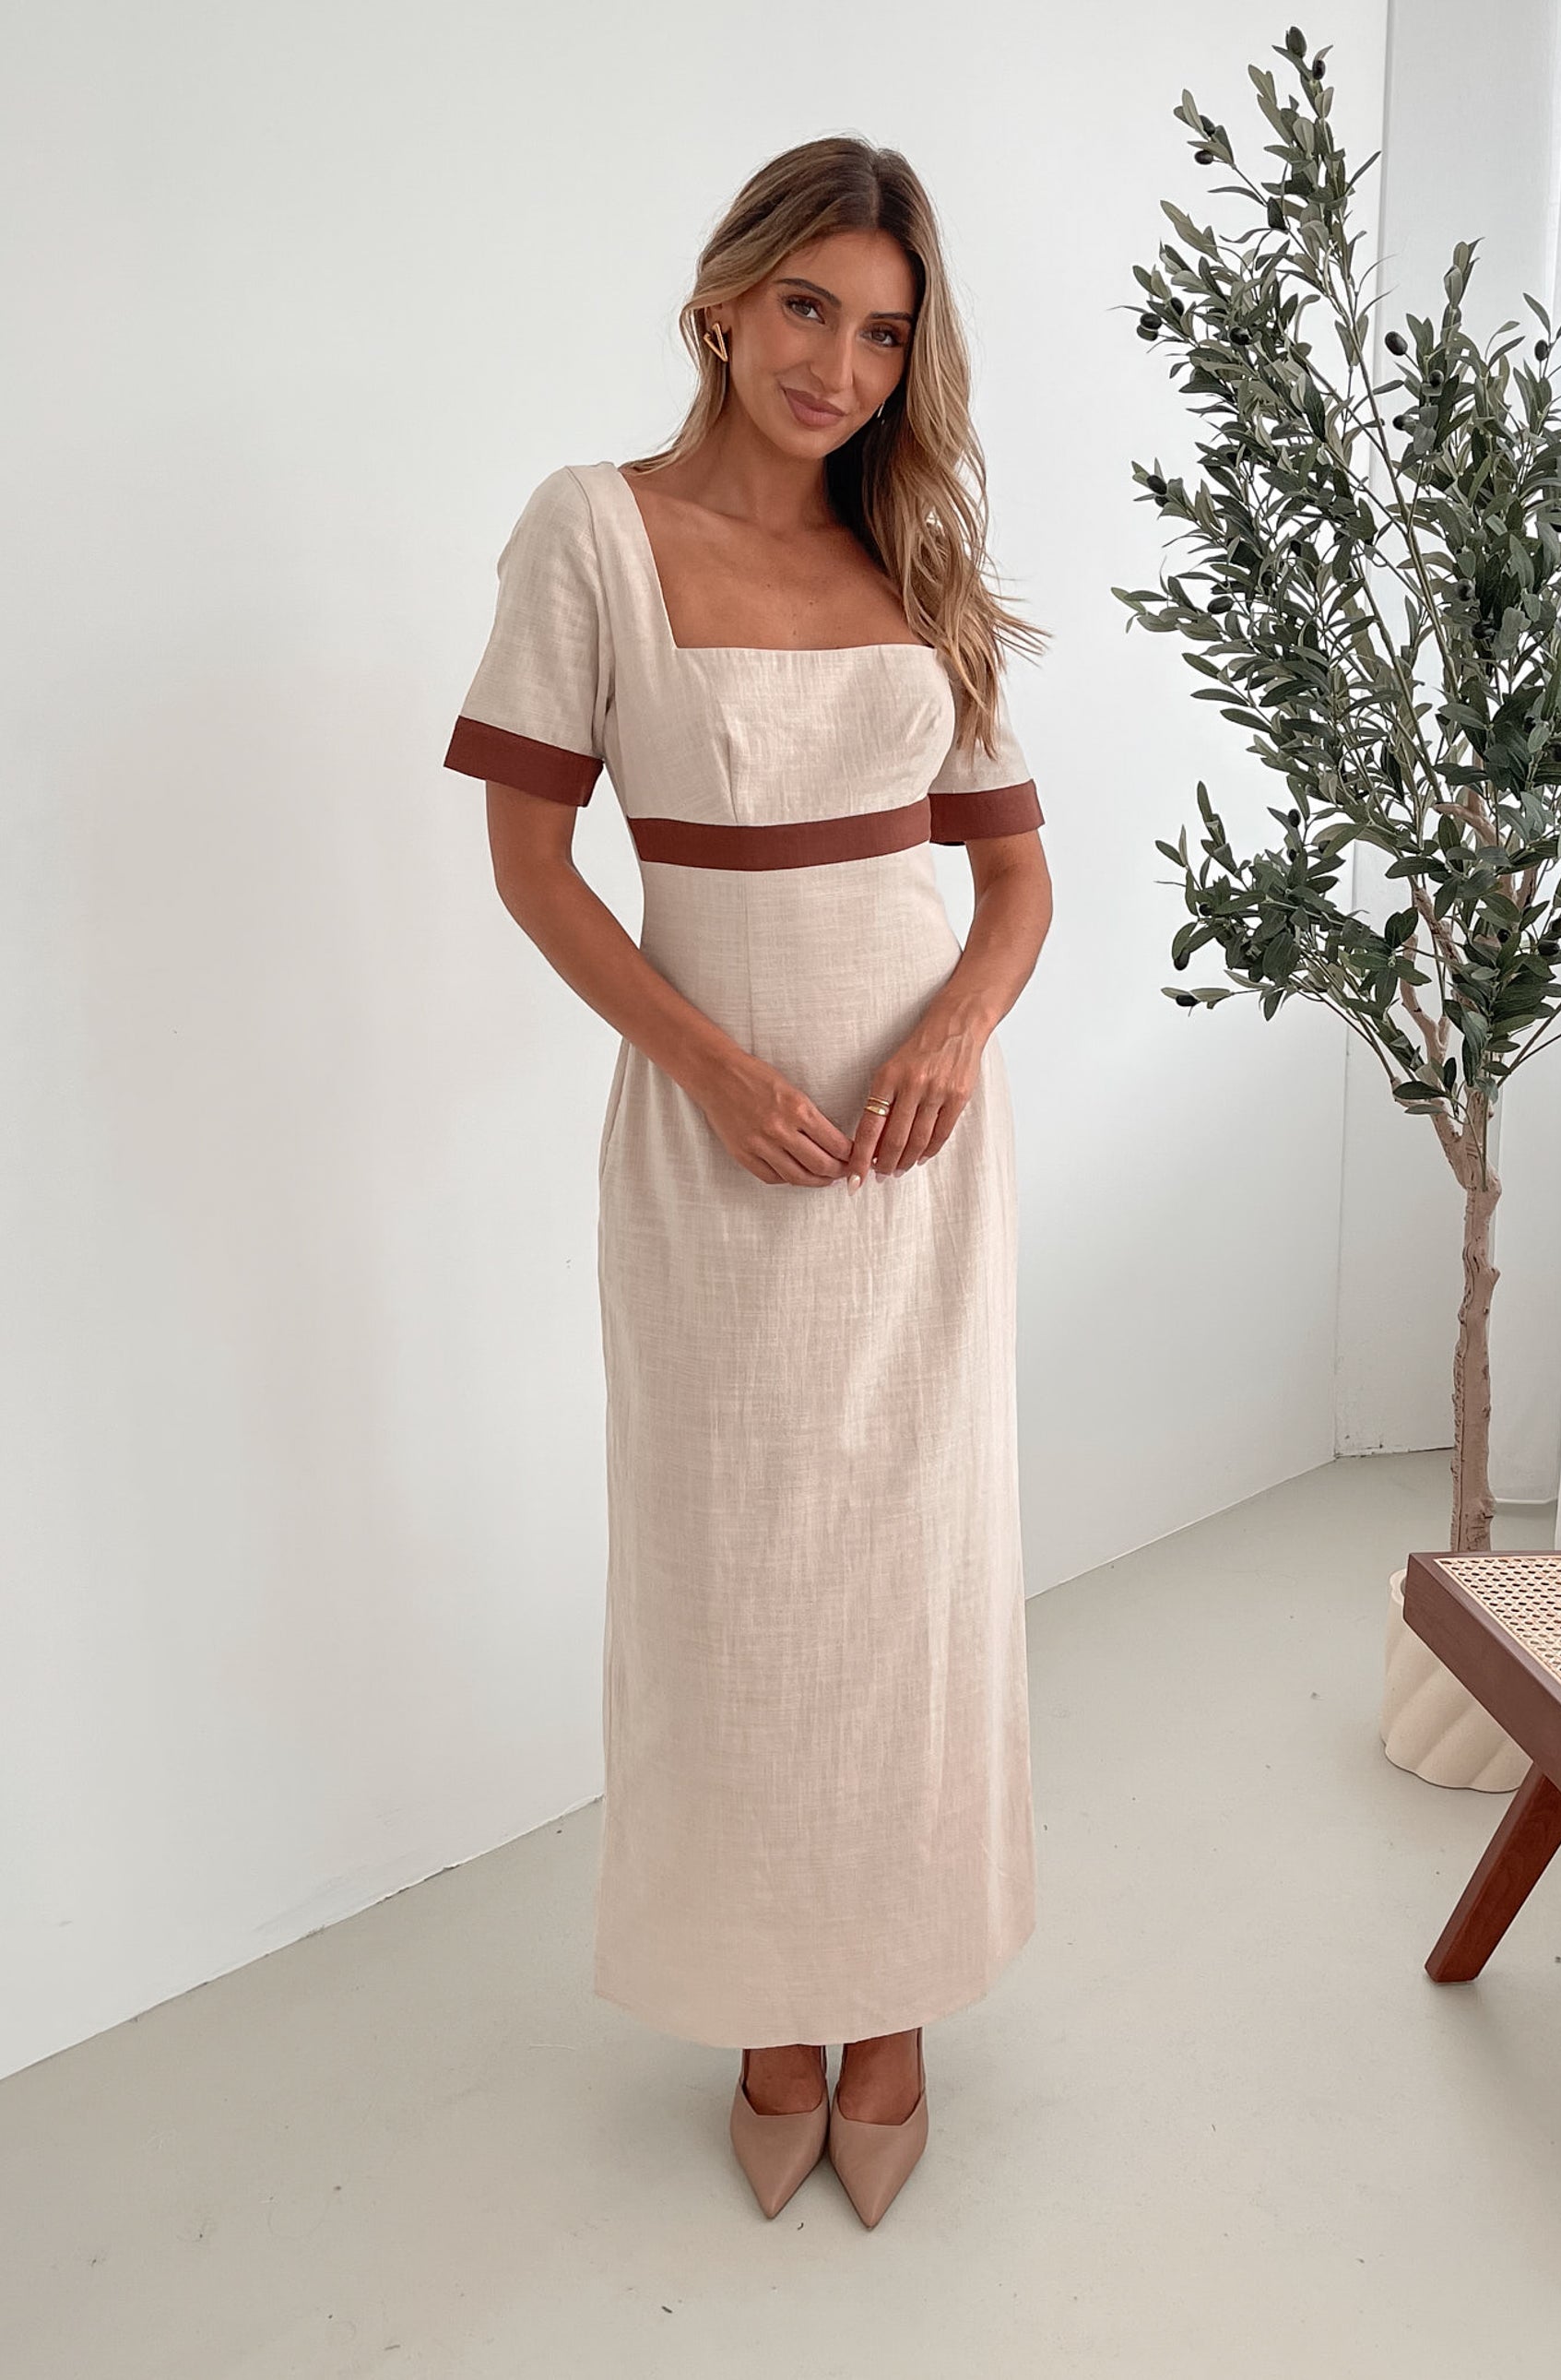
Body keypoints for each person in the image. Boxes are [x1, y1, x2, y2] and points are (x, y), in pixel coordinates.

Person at [443, 134, 1053, 2228]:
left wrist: (956, 1032)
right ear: (724, 296)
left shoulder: (919, 553)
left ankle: (886, 2000)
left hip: (913, 1148)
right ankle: (760, 2003)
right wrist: (707, 1066)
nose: (842, 365)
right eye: (811, 307)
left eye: (885, 334)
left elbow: (1010, 882)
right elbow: (533, 863)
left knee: (908, 1571)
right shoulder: (589, 537)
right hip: (715, 1146)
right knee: (732, 1581)